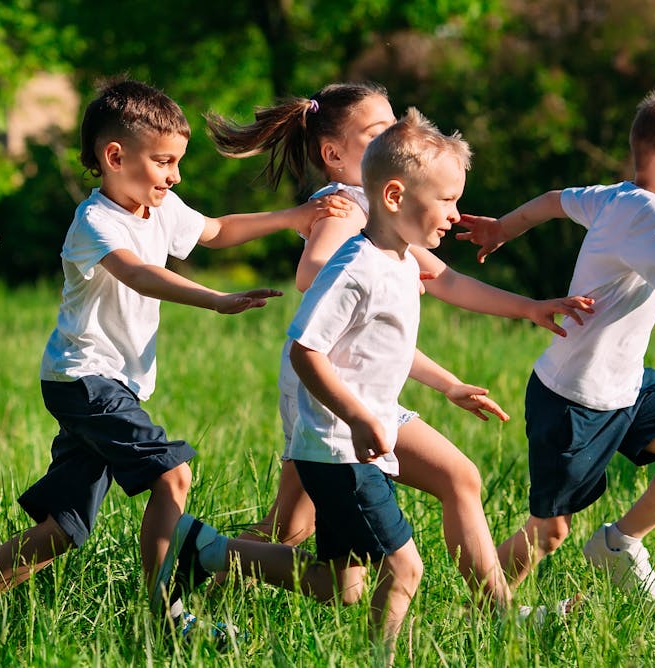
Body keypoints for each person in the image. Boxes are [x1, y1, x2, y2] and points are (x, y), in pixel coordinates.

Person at [0, 79, 327, 627]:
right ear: (115, 156)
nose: (174, 177)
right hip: (84, 380)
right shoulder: (95, 221)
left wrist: (293, 219)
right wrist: (213, 299)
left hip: (110, 385)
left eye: (177, 163)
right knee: (172, 476)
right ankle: (165, 614)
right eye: (164, 162)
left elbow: (216, 230)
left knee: (64, 529)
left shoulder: (162, 207)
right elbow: (138, 273)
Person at [204, 82, 591, 613]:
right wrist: (361, 274)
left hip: (358, 387)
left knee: (304, 525)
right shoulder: (347, 210)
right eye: (378, 131)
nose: (396, 135)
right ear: (334, 155)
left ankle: (196, 566)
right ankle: (195, 570)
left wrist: (525, 310)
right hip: (330, 392)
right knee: (297, 534)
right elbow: (311, 272)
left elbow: (443, 285)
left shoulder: (391, 221)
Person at [456, 83, 655, 614]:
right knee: (549, 532)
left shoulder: (616, 197)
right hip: (575, 399)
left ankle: (618, 543)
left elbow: (554, 201)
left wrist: (503, 227)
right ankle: (483, 611)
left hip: (625, 386)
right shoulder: (646, 212)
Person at [161, 109, 476, 661]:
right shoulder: (355, 264)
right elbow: (307, 351)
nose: (455, 213)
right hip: (337, 451)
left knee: (341, 584)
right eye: (447, 200)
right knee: (403, 568)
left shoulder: (401, 263)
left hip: (356, 446)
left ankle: (204, 549)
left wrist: (447, 384)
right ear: (397, 197)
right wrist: (357, 417)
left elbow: (392, 353)